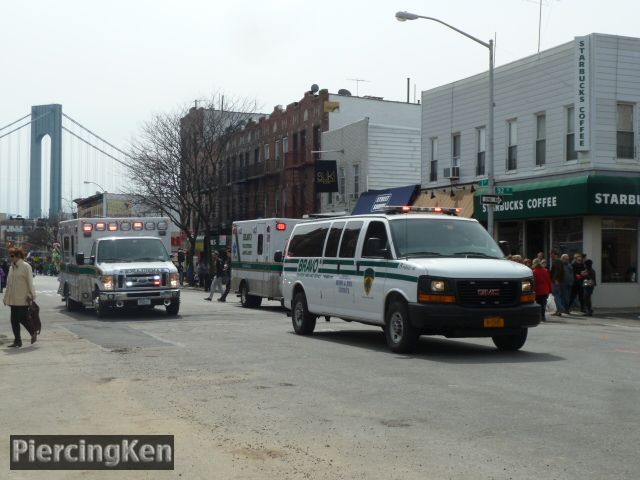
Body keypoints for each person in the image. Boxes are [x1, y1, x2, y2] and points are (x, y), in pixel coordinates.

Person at [3, 247, 37, 348]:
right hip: (13, 299)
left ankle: (33, 333)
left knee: (23, 319)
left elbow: (30, 283)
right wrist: (5, 298)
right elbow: (9, 284)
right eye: (10, 256)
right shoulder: (11, 268)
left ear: (18, 256)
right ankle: (17, 341)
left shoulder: (26, 266)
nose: (11, 258)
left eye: (12, 256)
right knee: (14, 321)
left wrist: (31, 295)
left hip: (23, 299)